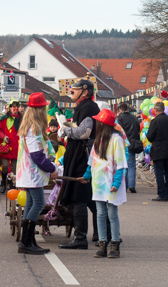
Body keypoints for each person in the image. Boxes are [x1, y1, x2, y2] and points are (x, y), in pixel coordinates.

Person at [58, 78, 100, 250]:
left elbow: (84, 132)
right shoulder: (84, 107)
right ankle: (100, 234)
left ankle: (81, 237)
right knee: (90, 198)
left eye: (74, 90)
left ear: (84, 91)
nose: (71, 92)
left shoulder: (88, 107)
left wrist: (65, 130)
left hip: (82, 158)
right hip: (81, 155)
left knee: (79, 197)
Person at [15, 92, 57, 255]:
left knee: (31, 204)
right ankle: (26, 242)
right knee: (38, 204)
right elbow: (37, 154)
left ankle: (28, 240)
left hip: (29, 172)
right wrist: (51, 168)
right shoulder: (35, 127)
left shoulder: (29, 125)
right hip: (33, 173)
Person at [82, 107, 127, 259]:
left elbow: (121, 164)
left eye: (98, 122)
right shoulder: (98, 141)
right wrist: (87, 175)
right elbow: (92, 162)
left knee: (112, 213)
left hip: (111, 183)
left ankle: (114, 244)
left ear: (103, 124)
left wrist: (117, 182)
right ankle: (102, 243)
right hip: (98, 183)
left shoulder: (117, 140)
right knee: (100, 213)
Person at [146, 100, 168, 202]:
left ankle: (162, 193)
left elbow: (150, 136)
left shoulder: (155, 121)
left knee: (159, 173)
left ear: (155, 110)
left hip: (158, 150)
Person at [0, 101, 21, 194]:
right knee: (5, 166)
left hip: (16, 146)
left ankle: (12, 185)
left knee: (14, 168)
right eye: (13, 107)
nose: (15, 109)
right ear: (10, 108)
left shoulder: (21, 119)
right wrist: (3, 137)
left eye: (17, 107)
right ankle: (3, 184)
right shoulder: (3, 118)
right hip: (6, 146)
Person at [115, 102, 141, 193]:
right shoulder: (134, 118)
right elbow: (138, 129)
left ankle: (124, 186)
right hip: (133, 143)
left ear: (119, 110)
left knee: (122, 165)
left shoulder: (119, 118)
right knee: (131, 164)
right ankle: (131, 184)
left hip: (122, 143)